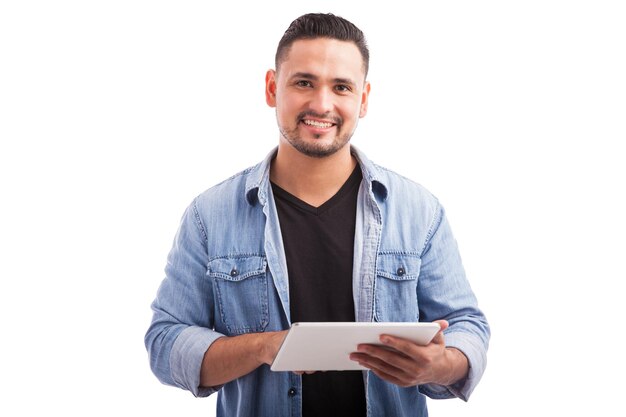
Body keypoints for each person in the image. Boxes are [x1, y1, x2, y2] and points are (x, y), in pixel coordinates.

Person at [145, 12, 490, 417]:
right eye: (304, 82)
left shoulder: (418, 211)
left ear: (362, 100)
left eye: (341, 87)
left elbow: (467, 326)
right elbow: (165, 343)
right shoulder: (210, 215)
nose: (321, 104)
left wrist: (440, 364)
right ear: (273, 88)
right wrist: (265, 347)